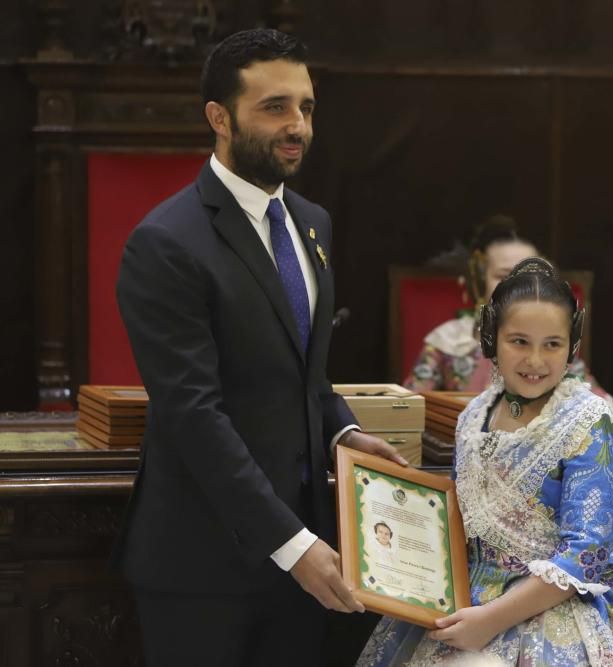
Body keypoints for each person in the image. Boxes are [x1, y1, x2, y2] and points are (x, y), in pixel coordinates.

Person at [114, 29, 407, 667]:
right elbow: (193, 414)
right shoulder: (166, 242)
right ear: (219, 118)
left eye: (305, 107)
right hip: (203, 564)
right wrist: (292, 544)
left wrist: (342, 433)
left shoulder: (313, 222)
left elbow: (304, 373)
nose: (297, 124)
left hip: (308, 552)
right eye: (274, 107)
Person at [360, 258, 613, 666]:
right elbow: (457, 520)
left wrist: (490, 620)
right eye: (519, 341)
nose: (535, 361)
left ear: (572, 345)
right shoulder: (474, 415)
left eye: (552, 344)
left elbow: (586, 554)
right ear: (492, 338)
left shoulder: (590, 422)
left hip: (558, 601)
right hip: (467, 594)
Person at [403, 214, 612, 400]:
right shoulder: (448, 340)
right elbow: (408, 407)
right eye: (503, 276)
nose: (517, 285)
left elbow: (603, 407)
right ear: (479, 280)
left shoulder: (553, 341)